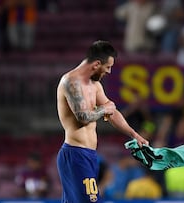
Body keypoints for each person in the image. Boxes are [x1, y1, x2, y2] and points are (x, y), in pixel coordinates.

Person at [56, 40, 149, 203]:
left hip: (89, 155)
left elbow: (113, 112)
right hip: (75, 154)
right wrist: (103, 109)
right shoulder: (71, 82)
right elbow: (83, 117)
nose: (110, 71)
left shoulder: (95, 85)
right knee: (92, 200)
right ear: (97, 64)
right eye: (108, 67)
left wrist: (134, 134)